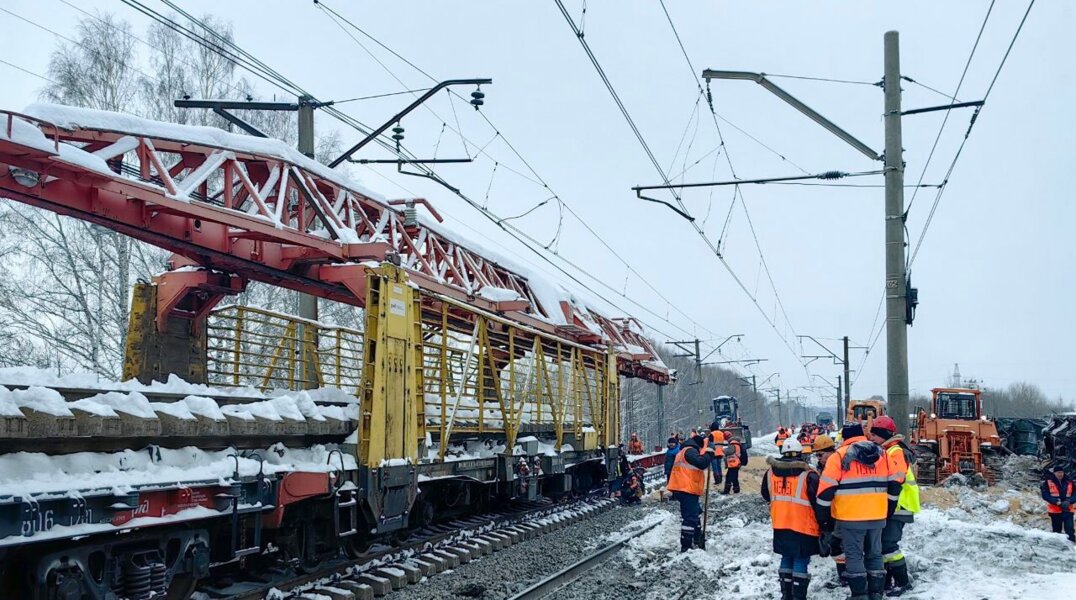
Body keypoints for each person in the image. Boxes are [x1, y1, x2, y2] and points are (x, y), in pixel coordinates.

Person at [817, 422, 900, 600]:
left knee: (853, 556)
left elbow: (824, 492)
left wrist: (824, 520)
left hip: (850, 517)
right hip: (878, 515)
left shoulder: (839, 456)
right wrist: (889, 509)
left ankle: (859, 595)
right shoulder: (882, 454)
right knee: (875, 553)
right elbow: (895, 484)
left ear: (845, 438)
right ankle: (876, 594)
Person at [761, 438, 825, 600]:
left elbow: (765, 495)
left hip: (780, 523)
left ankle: (786, 595)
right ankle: (798, 596)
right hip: (804, 525)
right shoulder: (809, 475)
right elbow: (818, 501)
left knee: (786, 556)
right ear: (800, 454)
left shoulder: (770, 472)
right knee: (801, 559)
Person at [868, 416, 920, 596]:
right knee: (884, 546)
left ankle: (902, 583)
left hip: (899, 506)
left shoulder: (894, 451)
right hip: (894, 505)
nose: (871, 437)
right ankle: (888, 582)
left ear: (884, 435)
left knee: (889, 546)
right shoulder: (888, 450)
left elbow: (896, 479)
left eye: (875, 434)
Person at [667, 432, 716, 552]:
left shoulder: (685, 451)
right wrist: (709, 452)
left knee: (696, 512)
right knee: (689, 517)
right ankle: (686, 546)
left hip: (685, 488)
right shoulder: (690, 451)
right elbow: (701, 463)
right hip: (686, 489)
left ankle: (697, 538)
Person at [1041, 465, 1076, 543]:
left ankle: (1072, 547)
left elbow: (1075, 494)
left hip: (1068, 509)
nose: (1060, 474)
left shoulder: (1070, 482)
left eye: (1061, 472)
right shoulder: (1048, 482)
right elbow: (1045, 495)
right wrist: (1056, 502)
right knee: (1057, 531)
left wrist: (1069, 501)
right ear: (1054, 473)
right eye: (1058, 472)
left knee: (1070, 530)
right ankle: (1058, 549)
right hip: (1055, 511)